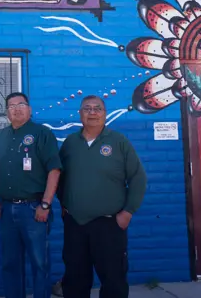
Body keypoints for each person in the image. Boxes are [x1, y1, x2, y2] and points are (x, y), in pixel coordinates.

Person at [56, 95, 147, 298]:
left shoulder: (119, 142)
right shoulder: (70, 143)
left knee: (113, 280)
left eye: (97, 108)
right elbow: (59, 177)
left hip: (109, 225)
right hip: (75, 225)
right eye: (87, 109)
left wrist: (128, 212)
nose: (92, 112)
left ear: (105, 114)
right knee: (75, 279)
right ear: (80, 114)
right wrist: (63, 203)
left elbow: (138, 178)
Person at [0, 92, 61, 298]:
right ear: (7, 113)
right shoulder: (0, 137)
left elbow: (54, 170)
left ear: (29, 109)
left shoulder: (41, 134)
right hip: (6, 209)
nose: (17, 108)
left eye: (21, 104)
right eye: (12, 106)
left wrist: (46, 205)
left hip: (34, 210)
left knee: (40, 264)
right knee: (10, 264)